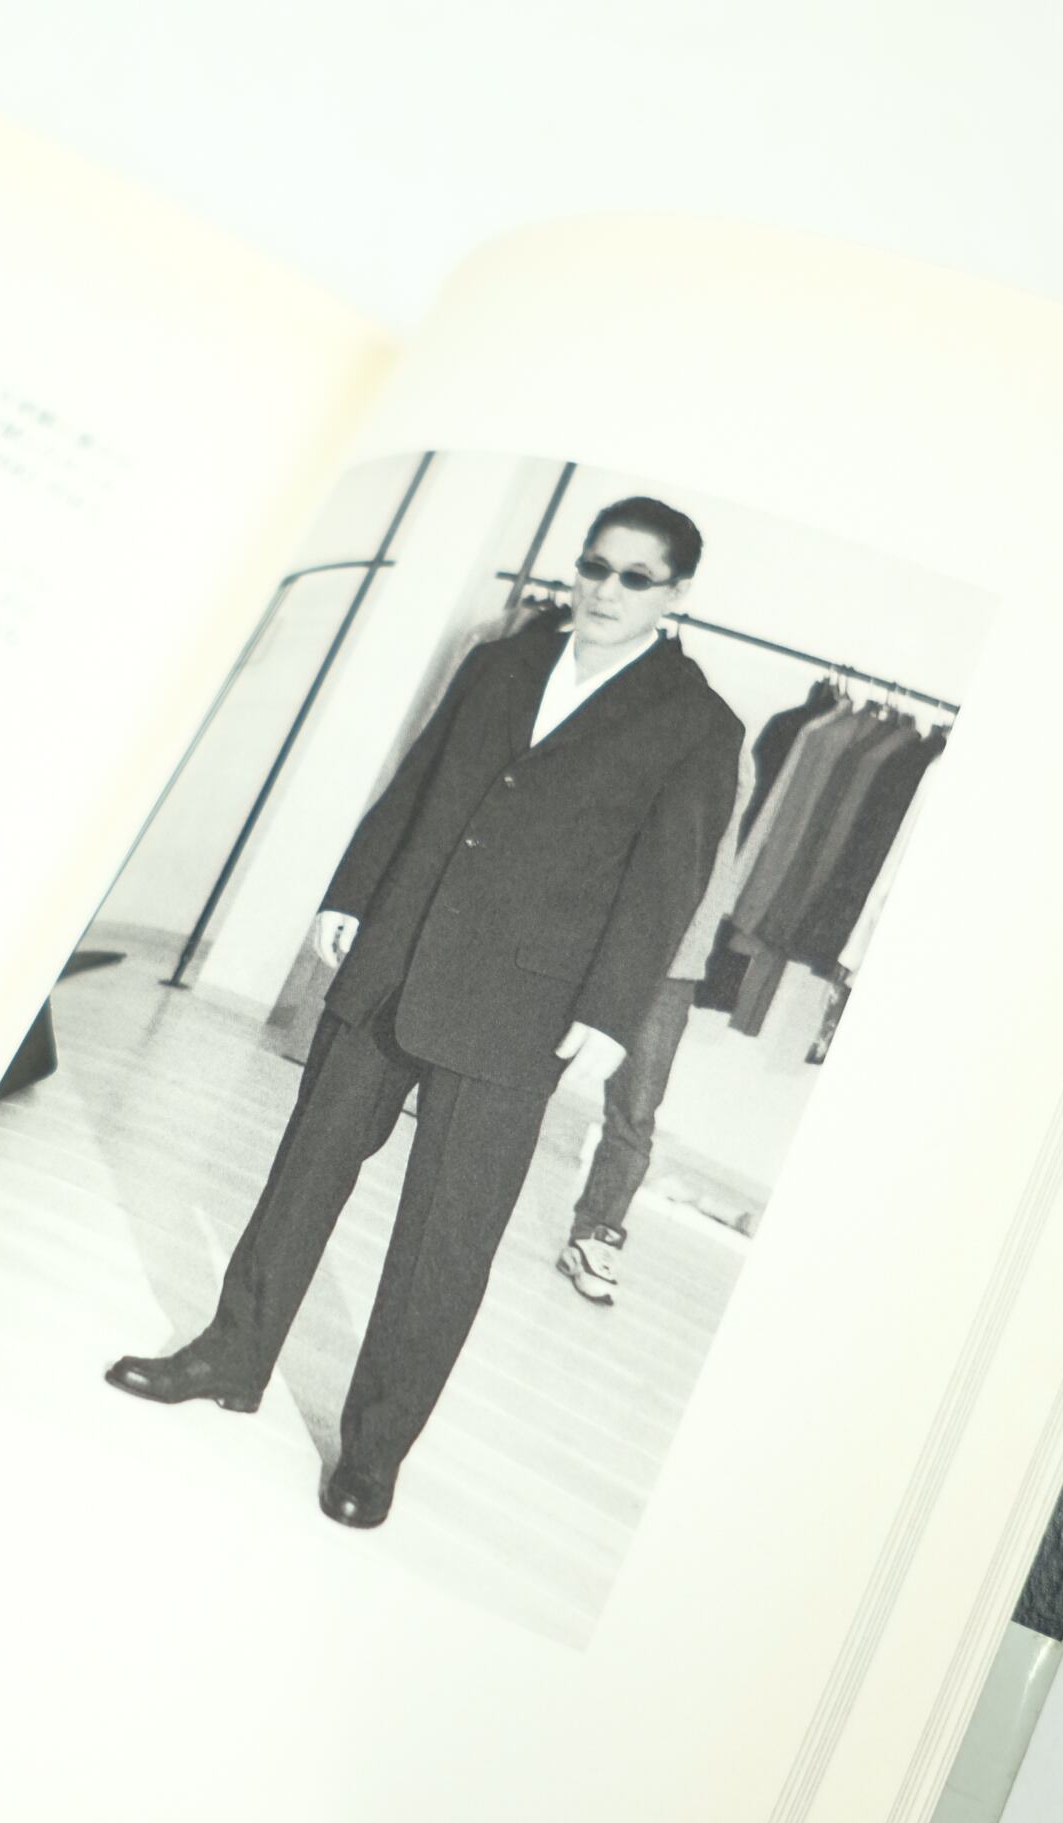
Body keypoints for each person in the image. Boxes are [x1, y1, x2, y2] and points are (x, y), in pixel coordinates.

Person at [106, 496, 742, 1528]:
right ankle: (231, 1355)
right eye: (593, 566)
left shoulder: (697, 725)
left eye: (633, 577)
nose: (603, 590)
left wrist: (609, 1012)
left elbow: (666, 885)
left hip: (525, 1010)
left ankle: (373, 1451)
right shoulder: (501, 661)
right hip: (394, 961)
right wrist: (352, 891)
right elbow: (414, 787)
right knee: (302, 1174)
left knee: (445, 1243)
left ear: (675, 594)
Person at [558, 726, 756, 1302]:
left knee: (636, 1111)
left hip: (673, 961)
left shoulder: (728, 749)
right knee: (524, 1063)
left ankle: (595, 1235)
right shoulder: (641, 726)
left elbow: (716, 862)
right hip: (597, 937)